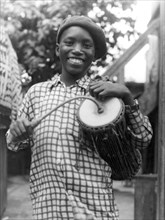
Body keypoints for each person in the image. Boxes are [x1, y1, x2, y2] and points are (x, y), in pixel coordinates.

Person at [6, 15, 153, 220]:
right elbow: (13, 143)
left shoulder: (104, 95)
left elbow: (144, 138)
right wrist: (17, 132)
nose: (77, 49)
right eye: (69, 42)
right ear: (58, 50)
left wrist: (127, 96)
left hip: (95, 211)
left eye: (86, 45)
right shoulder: (36, 94)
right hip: (48, 210)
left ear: (94, 55)